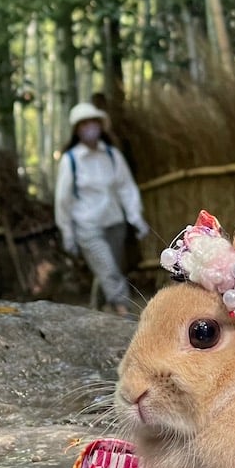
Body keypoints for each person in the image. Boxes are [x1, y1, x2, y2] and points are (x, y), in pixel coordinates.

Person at [55, 102, 150, 316]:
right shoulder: (70, 160)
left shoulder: (111, 155)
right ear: (77, 130)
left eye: (93, 122)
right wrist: (67, 232)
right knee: (108, 269)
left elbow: (126, 187)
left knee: (108, 270)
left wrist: (136, 218)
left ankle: (95, 310)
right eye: (84, 124)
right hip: (88, 226)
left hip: (114, 221)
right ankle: (124, 310)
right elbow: (63, 199)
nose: (90, 128)